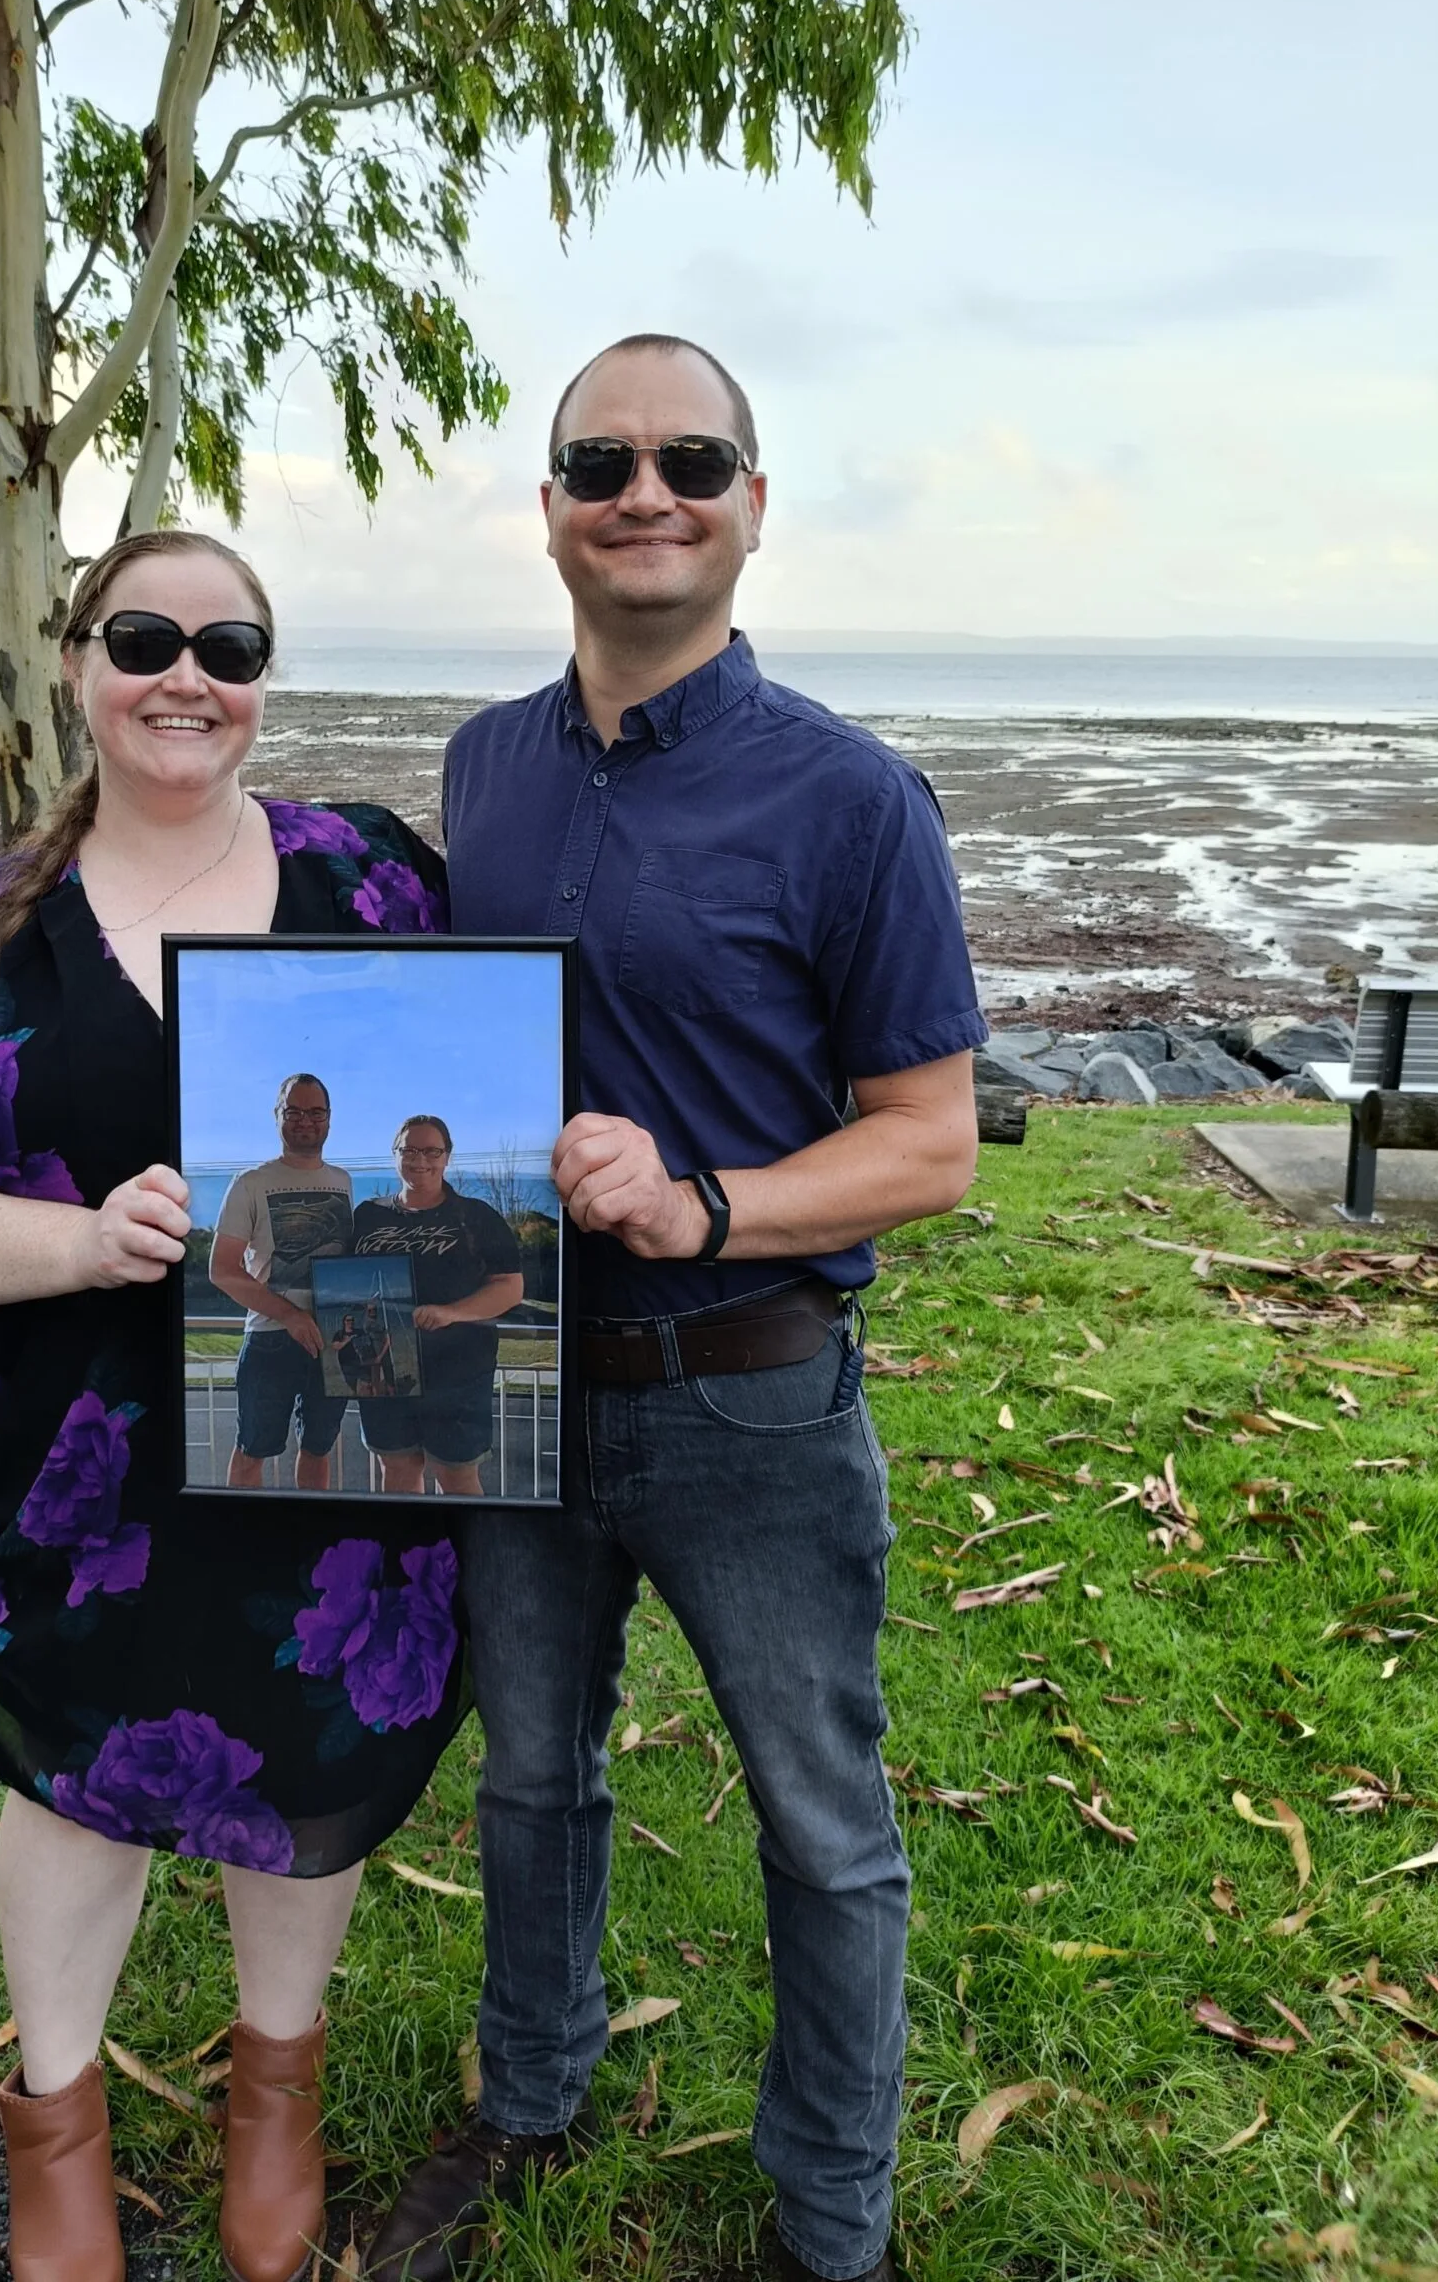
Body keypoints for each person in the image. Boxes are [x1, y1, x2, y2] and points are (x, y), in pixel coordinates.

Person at [365, 336, 985, 2282]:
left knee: (824, 1823)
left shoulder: (856, 801)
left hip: (755, 1395)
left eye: (692, 455)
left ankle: (835, 2224)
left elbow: (930, 1143)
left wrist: (705, 1200)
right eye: (603, 459)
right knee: (533, 1774)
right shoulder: (481, 765)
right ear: (549, 508)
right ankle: (530, 2095)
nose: (649, 486)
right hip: (516, 1372)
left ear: (752, 503)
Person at [0, 528, 463, 2282]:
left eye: (228, 645)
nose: (190, 675)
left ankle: (274, 2098)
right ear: (78, 661)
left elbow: (483, 1112)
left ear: (262, 679)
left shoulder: (375, 879)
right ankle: (59, 2135)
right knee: (78, 1790)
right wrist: (87, 1241)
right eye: (148, 636)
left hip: (338, 1444)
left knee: (305, 1769)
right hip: (72, 1474)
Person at [351, 1117, 526, 1498]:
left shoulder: (476, 1217)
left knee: (457, 1478)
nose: (420, 1160)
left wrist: (451, 1312)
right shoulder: (367, 1216)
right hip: (385, 1370)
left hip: (458, 1374)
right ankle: (405, 1556)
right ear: (395, 1155)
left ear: (447, 1157)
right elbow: (348, 1284)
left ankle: (464, 1557)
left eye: (432, 1151)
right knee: (396, 1470)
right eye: (409, 1150)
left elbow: (510, 1288)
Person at [210, 1074, 353, 1490]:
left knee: (319, 1449)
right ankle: (245, 1540)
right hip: (270, 1339)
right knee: (253, 1450)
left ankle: (311, 1539)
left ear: (329, 1119)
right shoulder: (249, 1183)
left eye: (315, 1112)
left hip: (332, 1342)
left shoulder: (343, 1182)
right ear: (278, 1116)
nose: (305, 1120)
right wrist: (290, 1316)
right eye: (293, 1110)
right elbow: (222, 1269)